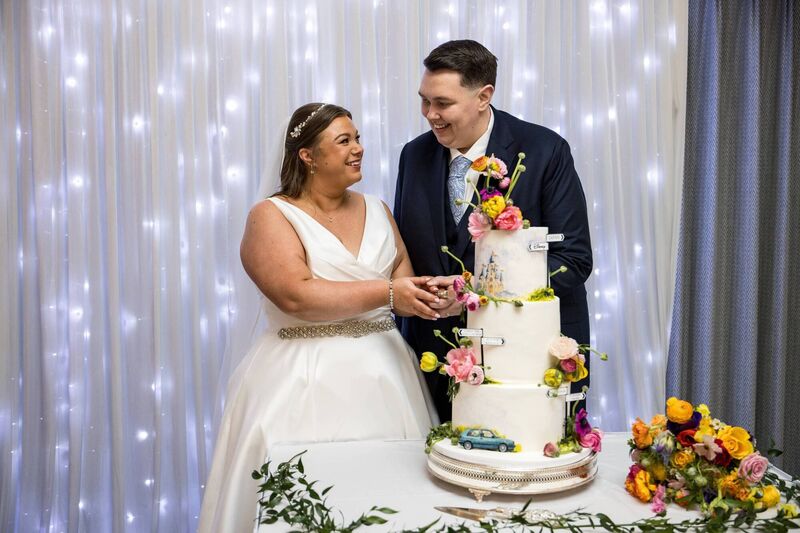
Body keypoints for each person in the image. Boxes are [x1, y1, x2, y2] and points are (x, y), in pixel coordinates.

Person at [198, 103, 438, 533]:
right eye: (344, 141)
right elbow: (296, 295)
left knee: (391, 500)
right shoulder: (271, 215)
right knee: (306, 503)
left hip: (387, 377)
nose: (358, 148)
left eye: (358, 138)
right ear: (307, 156)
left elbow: (404, 288)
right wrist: (389, 293)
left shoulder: (378, 209)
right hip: (303, 379)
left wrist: (440, 297)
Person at [394, 40, 593, 422]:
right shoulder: (413, 155)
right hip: (434, 359)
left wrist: (477, 294)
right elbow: (408, 251)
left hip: (525, 358)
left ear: (484, 96)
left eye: (443, 103)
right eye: (425, 101)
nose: (431, 114)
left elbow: (574, 260)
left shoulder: (544, 151)